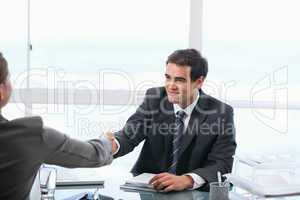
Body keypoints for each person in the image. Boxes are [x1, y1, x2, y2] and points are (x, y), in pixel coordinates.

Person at [107, 49, 236, 192]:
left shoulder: (221, 113)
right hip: (149, 188)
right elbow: (129, 135)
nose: (171, 86)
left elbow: (222, 163)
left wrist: (187, 180)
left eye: (179, 80)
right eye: (168, 77)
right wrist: (114, 145)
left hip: (193, 193)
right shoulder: (155, 98)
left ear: (198, 82)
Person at [0, 52, 116, 200]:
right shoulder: (32, 138)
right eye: (8, 77)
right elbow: (95, 155)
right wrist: (105, 141)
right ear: (1, 91)